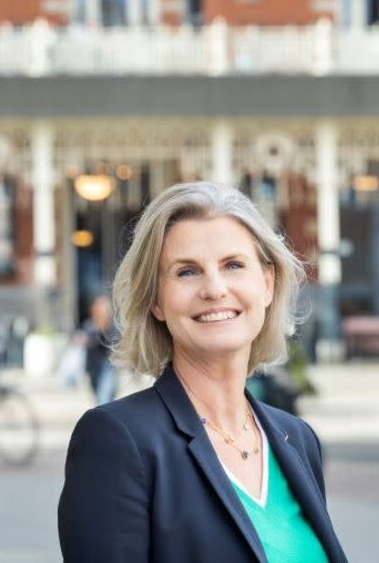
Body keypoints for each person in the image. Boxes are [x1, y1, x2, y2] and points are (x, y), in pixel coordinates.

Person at [58, 182, 347, 562]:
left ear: (266, 283)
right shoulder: (118, 441)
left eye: (233, 265)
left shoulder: (298, 440)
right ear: (156, 301)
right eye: (187, 272)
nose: (214, 288)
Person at [80, 295, 118, 405]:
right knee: (100, 396)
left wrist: (101, 331)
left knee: (103, 399)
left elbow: (113, 342)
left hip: (107, 368)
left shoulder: (112, 328)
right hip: (93, 369)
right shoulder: (89, 326)